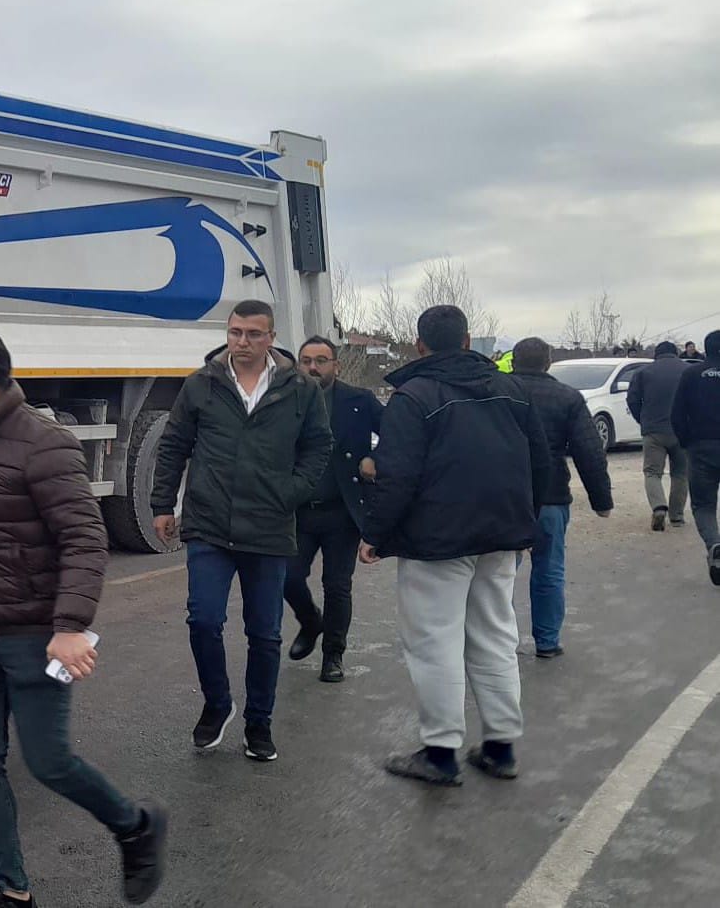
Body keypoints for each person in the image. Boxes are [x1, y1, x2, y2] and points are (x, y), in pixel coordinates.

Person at [0, 329, 168, 907]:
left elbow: (85, 540)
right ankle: (12, 891)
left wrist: (69, 628)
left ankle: (136, 827)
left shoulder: (44, 444)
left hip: (31, 636)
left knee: (49, 762)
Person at [362, 306, 551, 786]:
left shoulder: (413, 396)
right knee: (495, 637)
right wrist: (526, 521)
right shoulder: (512, 390)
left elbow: (397, 475)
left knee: (434, 644)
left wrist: (376, 534)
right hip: (501, 535)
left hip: (437, 540)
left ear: (419, 345)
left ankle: (440, 753)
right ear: (467, 341)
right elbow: (540, 463)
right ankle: (500, 748)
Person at [151, 300, 333, 762]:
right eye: (235, 332)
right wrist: (162, 504)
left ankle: (259, 723)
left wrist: (292, 492)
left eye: (253, 334)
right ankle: (217, 704)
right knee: (203, 620)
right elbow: (173, 445)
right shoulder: (202, 384)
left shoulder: (300, 390)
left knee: (265, 633)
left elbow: (319, 446)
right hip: (209, 524)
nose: (242, 342)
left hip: (269, 527)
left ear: (271, 337)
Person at [283, 337, 384, 684]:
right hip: (298, 511)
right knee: (287, 577)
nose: (313, 367)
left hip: (342, 512)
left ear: (336, 366)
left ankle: (333, 654)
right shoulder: (284, 402)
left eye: (321, 360)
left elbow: (398, 433)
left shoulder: (360, 401)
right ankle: (311, 622)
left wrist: (375, 459)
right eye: (306, 360)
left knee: (337, 586)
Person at [508, 337, 614, 656]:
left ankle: (500, 643)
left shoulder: (498, 393)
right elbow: (589, 452)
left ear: (513, 361)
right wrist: (601, 500)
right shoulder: (567, 397)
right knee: (549, 569)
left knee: (499, 574)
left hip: (504, 497)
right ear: (548, 363)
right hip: (551, 495)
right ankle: (547, 641)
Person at [672, 331, 720, 586]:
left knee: (703, 505)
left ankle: (715, 544)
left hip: (701, 447)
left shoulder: (691, 374)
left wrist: (686, 442)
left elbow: (677, 414)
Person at [628, 342, 690, 531]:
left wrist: (643, 420)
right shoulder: (688, 370)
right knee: (681, 474)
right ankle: (677, 516)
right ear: (676, 353)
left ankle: (659, 507)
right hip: (682, 431)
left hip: (653, 430)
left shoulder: (643, 372)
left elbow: (632, 400)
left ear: (656, 354)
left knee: (652, 472)